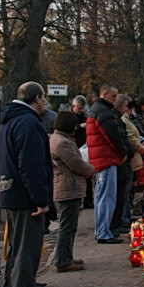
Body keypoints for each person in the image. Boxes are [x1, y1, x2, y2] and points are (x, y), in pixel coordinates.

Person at [0, 81, 53, 287]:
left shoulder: (9, 121)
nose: (45, 103)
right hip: (25, 197)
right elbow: (30, 165)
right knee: (26, 253)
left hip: (11, 191)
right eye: (44, 99)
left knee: (16, 250)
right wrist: (40, 199)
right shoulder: (28, 123)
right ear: (37, 97)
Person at [87, 84, 134, 243]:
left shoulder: (97, 109)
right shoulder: (104, 112)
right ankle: (103, 232)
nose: (115, 100)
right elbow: (112, 136)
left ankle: (102, 230)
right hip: (106, 158)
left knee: (103, 196)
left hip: (102, 157)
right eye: (113, 96)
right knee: (106, 197)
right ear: (105, 94)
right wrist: (123, 153)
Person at [50, 111, 95, 272]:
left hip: (68, 186)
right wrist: (91, 169)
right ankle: (62, 260)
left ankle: (66, 256)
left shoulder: (59, 139)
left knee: (70, 225)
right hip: (68, 187)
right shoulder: (63, 143)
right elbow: (76, 164)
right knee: (67, 226)